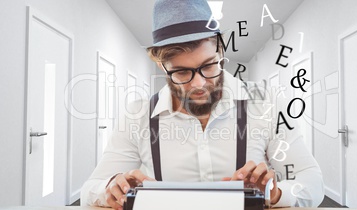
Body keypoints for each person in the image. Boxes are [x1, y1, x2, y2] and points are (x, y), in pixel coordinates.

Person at [81, 0, 324, 209]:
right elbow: (88, 191)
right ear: (161, 66)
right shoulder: (138, 115)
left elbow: (312, 181)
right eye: (182, 72)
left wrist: (276, 193)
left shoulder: (268, 104)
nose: (199, 84)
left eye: (209, 66)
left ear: (221, 50)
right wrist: (111, 187)